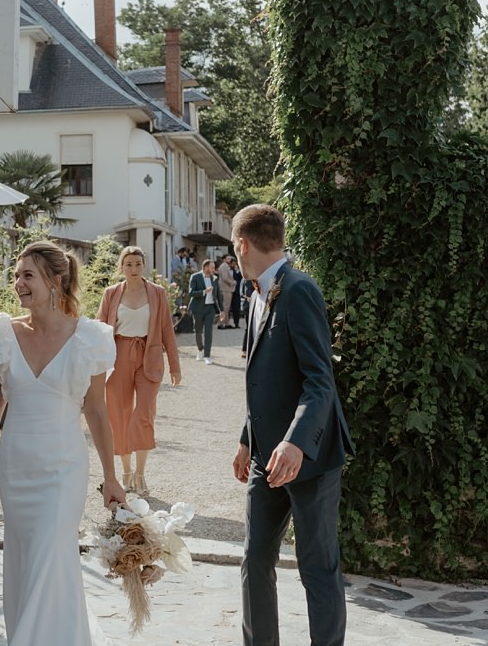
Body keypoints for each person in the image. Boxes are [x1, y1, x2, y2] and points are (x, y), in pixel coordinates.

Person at [0, 240, 126, 645]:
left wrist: (112, 476)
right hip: (17, 466)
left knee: (51, 553)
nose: (18, 283)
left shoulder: (89, 337)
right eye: (17, 274)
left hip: (63, 469)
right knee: (24, 560)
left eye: (28, 275)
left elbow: (96, 410)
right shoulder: (3, 333)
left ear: (56, 280)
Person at [230, 204, 355, 646]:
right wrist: (248, 439)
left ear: (242, 243)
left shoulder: (299, 290)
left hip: (310, 458)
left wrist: (296, 444)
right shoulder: (254, 294)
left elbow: (320, 380)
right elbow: (262, 377)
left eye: (234, 246)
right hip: (265, 456)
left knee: (317, 567)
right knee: (254, 558)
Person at [95, 246, 182, 495]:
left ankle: (141, 473)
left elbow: (167, 330)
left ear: (144, 266)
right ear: (121, 267)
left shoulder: (157, 293)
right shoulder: (111, 294)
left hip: (148, 356)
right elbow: (99, 329)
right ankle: (125, 472)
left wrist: (175, 366)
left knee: (144, 414)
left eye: (138, 264)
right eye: (129, 264)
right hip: (118, 356)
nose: (133, 269)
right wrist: (93, 365)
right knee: (119, 416)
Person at [188, 258, 223, 364]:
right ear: (206, 267)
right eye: (212, 267)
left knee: (209, 332)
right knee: (198, 331)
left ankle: (207, 356)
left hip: (210, 308)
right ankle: (200, 349)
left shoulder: (215, 278)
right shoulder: (195, 277)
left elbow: (218, 295)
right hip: (198, 308)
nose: (214, 269)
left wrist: (222, 310)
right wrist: (204, 292)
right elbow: (191, 293)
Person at [216, 254, 239, 329]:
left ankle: (226, 323)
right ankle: (221, 323)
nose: (229, 260)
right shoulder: (223, 267)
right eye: (228, 258)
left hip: (227, 289)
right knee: (225, 307)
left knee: (227, 307)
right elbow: (225, 278)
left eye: (230, 258)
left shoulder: (226, 266)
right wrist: (232, 283)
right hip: (225, 289)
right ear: (224, 259)